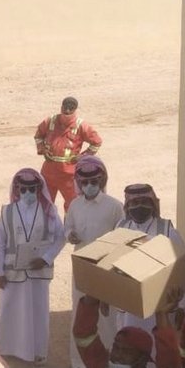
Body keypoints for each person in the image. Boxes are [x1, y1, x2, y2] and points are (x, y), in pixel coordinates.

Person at [0, 168, 66, 366]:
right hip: (12, 274)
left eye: (32, 189)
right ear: (17, 189)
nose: (27, 193)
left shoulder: (49, 211)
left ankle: (37, 351)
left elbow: (61, 237)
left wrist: (46, 258)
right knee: (10, 310)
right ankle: (9, 349)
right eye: (23, 189)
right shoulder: (7, 211)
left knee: (38, 311)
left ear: (38, 188)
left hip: (38, 272)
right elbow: (0, 243)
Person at [65, 155, 125, 368]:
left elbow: (122, 239)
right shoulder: (74, 205)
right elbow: (68, 226)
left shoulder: (115, 206)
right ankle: (79, 362)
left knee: (106, 318)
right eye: (85, 182)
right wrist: (70, 233)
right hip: (82, 270)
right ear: (79, 183)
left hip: (105, 271)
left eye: (94, 182)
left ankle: (110, 359)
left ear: (102, 181)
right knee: (80, 314)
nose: (89, 186)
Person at [114, 183, 185, 334]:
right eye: (134, 203)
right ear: (127, 205)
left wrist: (182, 306)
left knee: (159, 347)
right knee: (129, 348)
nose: (139, 207)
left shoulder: (167, 231)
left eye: (144, 202)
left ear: (152, 205)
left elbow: (181, 270)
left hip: (159, 305)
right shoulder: (120, 227)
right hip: (128, 304)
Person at [73, 287, 185, 368]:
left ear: (142, 359)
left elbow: (169, 357)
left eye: (126, 351)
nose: (118, 355)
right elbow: (84, 336)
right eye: (116, 347)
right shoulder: (104, 364)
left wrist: (93, 293)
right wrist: (94, 292)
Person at [34, 96, 102, 212]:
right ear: (61, 107)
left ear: (75, 109)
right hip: (49, 170)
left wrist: (83, 157)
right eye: (66, 108)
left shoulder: (81, 125)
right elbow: (38, 136)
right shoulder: (50, 121)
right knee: (44, 202)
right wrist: (43, 150)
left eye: (71, 109)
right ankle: (47, 228)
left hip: (69, 172)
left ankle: (69, 228)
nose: (68, 111)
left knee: (72, 204)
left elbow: (96, 142)